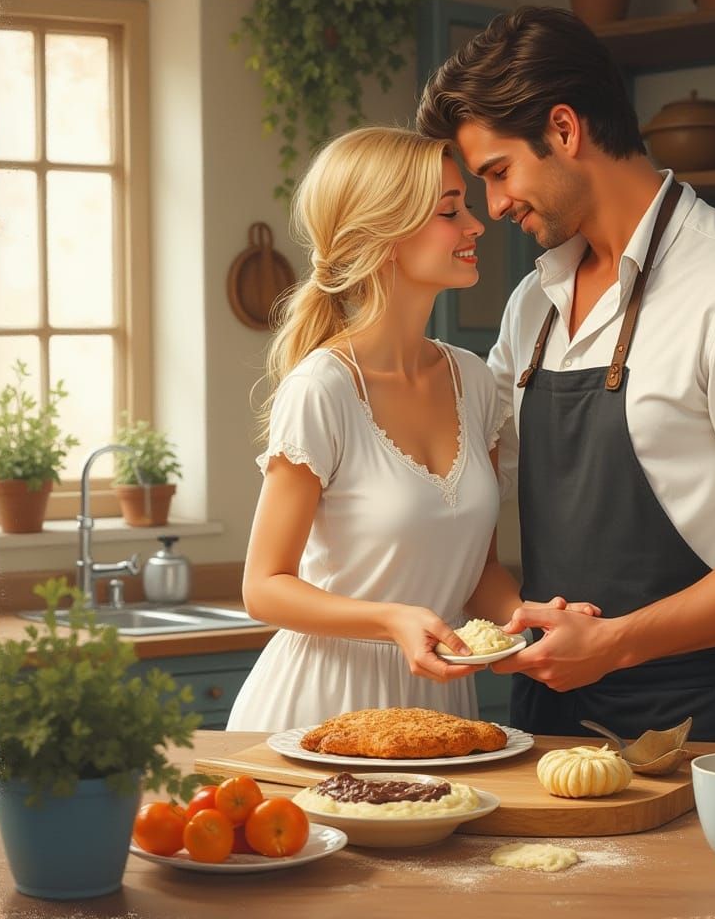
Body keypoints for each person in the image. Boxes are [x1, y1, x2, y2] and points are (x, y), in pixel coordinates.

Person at [416, 7, 715, 743]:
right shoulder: (533, 302)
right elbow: (470, 482)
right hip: (542, 715)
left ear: (565, 129)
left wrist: (617, 643)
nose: (494, 205)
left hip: (691, 728)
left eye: (499, 172)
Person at [226, 126, 597, 733]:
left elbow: (474, 569)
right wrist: (392, 620)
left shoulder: (474, 383)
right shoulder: (324, 388)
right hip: (319, 710)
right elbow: (264, 588)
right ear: (384, 236)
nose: (477, 225)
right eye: (451, 211)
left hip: (438, 708)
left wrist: (519, 615)